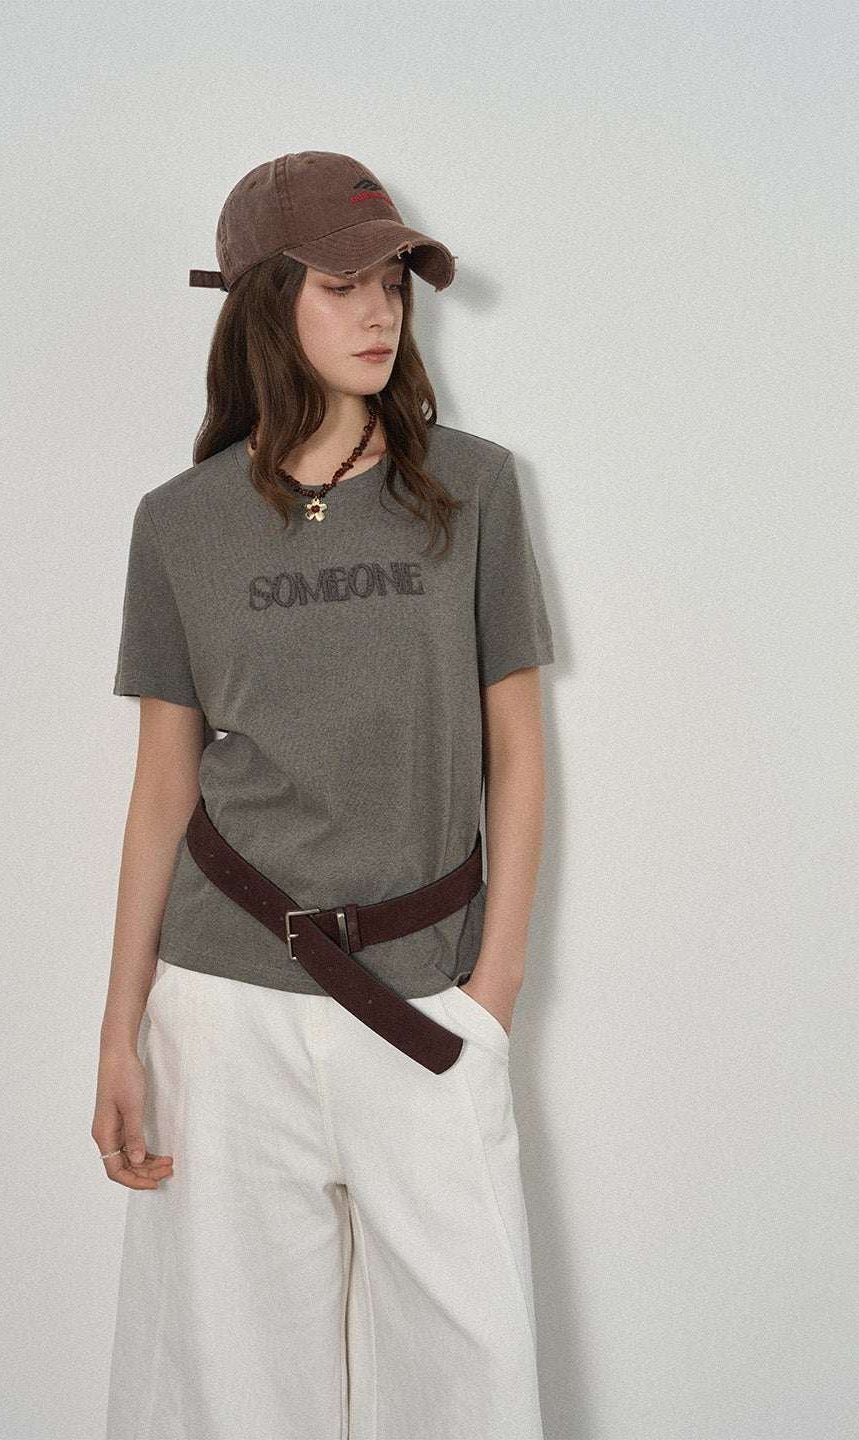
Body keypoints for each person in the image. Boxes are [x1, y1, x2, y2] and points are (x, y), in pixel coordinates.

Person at [95, 150, 556, 1440]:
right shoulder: (179, 523)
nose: (379, 313)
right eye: (342, 286)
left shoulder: (473, 489)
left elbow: (519, 751)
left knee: (469, 1386)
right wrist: (122, 1028)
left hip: (426, 1008)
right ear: (264, 303)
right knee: (232, 1398)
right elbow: (161, 787)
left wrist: (494, 990)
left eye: (392, 284)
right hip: (226, 1009)